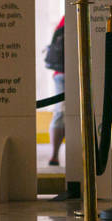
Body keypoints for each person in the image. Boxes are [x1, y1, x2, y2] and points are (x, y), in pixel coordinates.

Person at [45, 15, 66, 168]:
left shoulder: (64, 18)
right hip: (68, 73)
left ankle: (54, 156)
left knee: (60, 113)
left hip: (60, 73)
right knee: (61, 114)